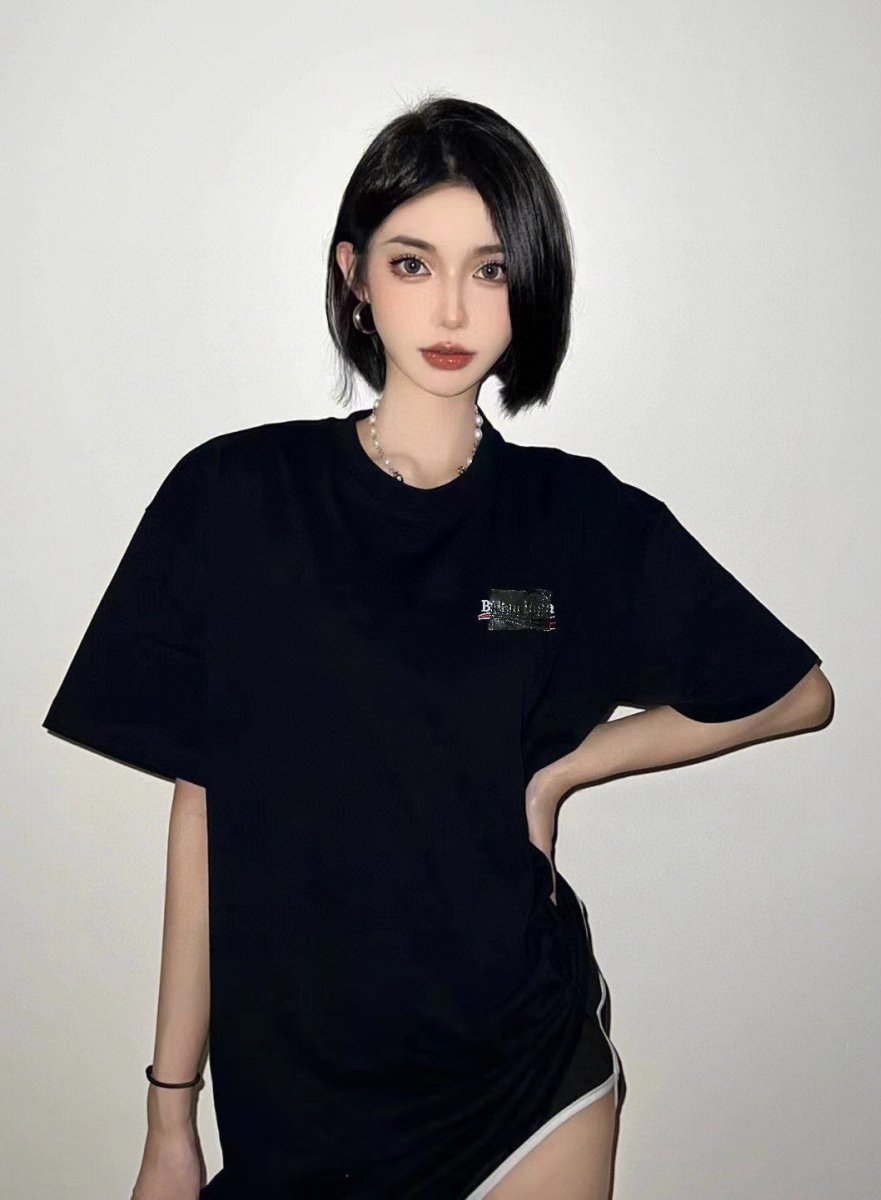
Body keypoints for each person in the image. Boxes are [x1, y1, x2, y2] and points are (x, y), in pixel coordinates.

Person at [41, 95, 832, 1200]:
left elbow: (793, 691)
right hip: (300, 1100)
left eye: (490, 268)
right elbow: (203, 812)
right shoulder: (236, 499)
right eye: (413, 264)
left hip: (524, 1083)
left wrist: (562, 769)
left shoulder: (574, 518)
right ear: (354, 276)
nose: (453, 307)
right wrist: (169, 1118)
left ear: (528, 284)